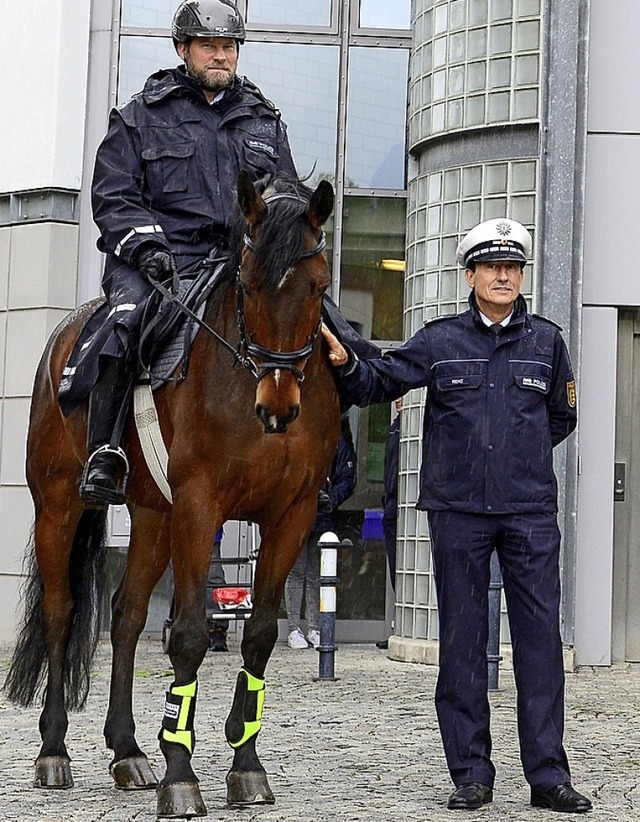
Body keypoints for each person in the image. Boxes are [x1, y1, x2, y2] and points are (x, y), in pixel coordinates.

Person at [321, 218, 592, 813]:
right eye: (492, 267)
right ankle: (471, 774)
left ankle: (548, 776)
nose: (503, 276)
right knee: (463, 646)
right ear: (469, 275)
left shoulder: (546, 342)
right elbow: (379, 381)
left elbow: (560, 419)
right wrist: (344, 361)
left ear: (521, 276)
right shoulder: (440, 341)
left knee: (540, 646)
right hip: (459, 516)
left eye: (513, 267)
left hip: (529, 516)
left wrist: (513, 463)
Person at [77, 0, 297, 507]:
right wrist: (145, 244)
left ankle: (326, 455)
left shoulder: (264, 122)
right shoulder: (141, 116)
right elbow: (114, 194)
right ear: (183, 50)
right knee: (126, 321)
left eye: (228, 47)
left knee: (315, 320)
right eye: (209, 47)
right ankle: (104, 451)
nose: (220, 56)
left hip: (239, 262)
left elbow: (283, 195)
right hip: (160, 261)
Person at [285, 423, 356, 649]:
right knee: (295, 572)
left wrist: (329, 501)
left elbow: (347, 478)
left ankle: (315, 627)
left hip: (323, 517)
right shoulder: (297, 437)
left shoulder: (336, 444)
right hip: (296, 514)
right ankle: (294, 628)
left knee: (318, 573)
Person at [376, 397, 402, 650]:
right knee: (396, 568)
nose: (396, 400)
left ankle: (400, 624)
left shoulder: (414, 428)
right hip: (392, 506)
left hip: (404, 507)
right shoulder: (396, 427)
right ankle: (399, 623)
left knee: (404, 567)